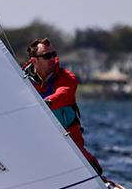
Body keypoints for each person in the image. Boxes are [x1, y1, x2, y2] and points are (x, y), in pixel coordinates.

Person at [23, 38, 103, 175]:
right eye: (47, 56)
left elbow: (64, 93)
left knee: (95, 169)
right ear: (34, 60)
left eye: (54, 54)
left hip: (68, 143)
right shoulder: (20, 80)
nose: (52, 59)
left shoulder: (66, 77)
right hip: (34, 143)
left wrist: (47, 103)